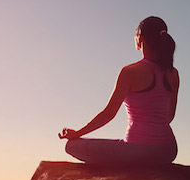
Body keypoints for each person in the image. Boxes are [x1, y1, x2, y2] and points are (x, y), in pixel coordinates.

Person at [59, 16, 179, 167]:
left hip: (136, 151)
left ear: (140, 38)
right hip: (168, 151)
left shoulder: (129, 72)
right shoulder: (173, 73)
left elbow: (108, 114)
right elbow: (169, 116)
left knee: (71, 145)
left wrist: (77, 134)